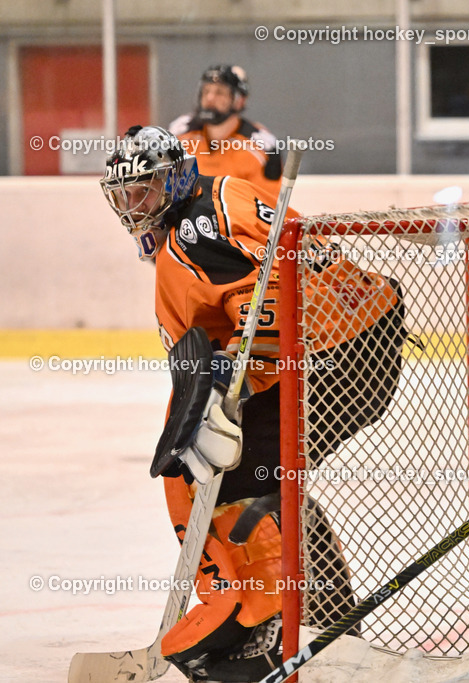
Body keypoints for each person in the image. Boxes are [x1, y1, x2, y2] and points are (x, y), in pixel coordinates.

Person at [100, 125, 406, 682]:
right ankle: (326, 617)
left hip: (328, 356)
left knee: (235, 479)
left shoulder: (187, 242)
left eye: (145, 188)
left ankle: (273, 626)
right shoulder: (228, 190)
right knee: (265, 473)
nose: (134, 204)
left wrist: (227, 380)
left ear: (175, 177)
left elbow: (266, 314)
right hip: (368, 333)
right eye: (124, 194)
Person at [169, 64, 283, 196]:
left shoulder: (262, 148)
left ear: (239, 101)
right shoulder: (179, 134)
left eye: (220, 92)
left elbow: (267, 208)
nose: (210, 98)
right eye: (206, 91)